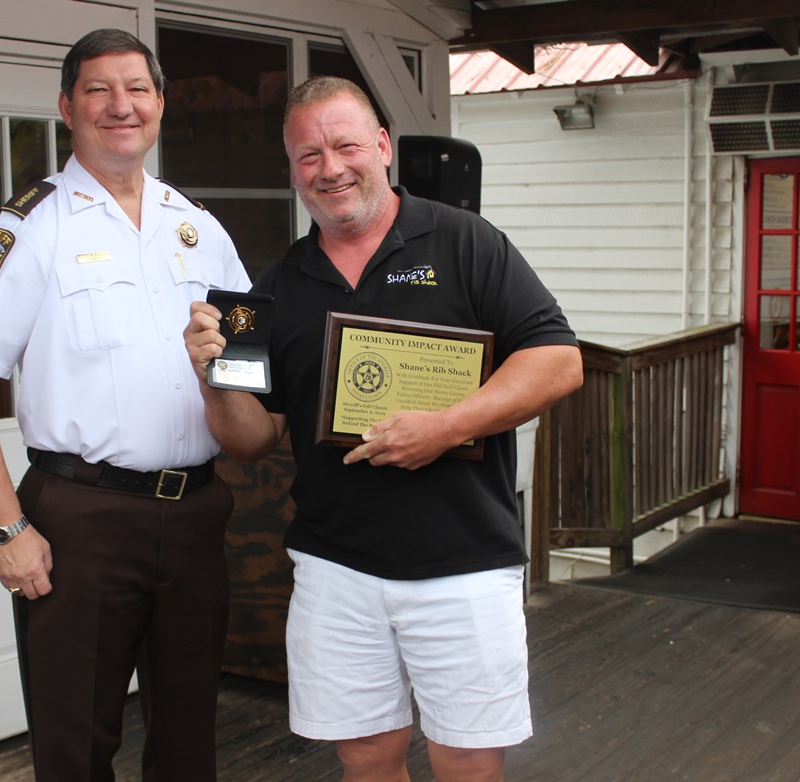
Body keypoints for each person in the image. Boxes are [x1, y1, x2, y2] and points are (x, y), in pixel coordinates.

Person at [184, 75, 584, 781]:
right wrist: (210, 378)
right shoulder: (265, 292)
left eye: (344, 146)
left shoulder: (466, 241)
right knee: (366, 760)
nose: (329, 168)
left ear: (382, 147)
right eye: (308, 155)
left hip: (463, 564)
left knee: (467, 763)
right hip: (335, 570)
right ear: (292, 169)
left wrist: (446, 425)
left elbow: (558, 363)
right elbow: (249, 440)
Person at [0, 28, 249, 782]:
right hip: (80, 518)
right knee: (75, 750)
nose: (120, 106)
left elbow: (246, 369)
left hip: (196, 511)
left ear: (160, 104)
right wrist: (6, 526)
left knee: (187, 746)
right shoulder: (30, 226)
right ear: (67, 107)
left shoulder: (200, 230)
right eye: (99, 90)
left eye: (137, 88)